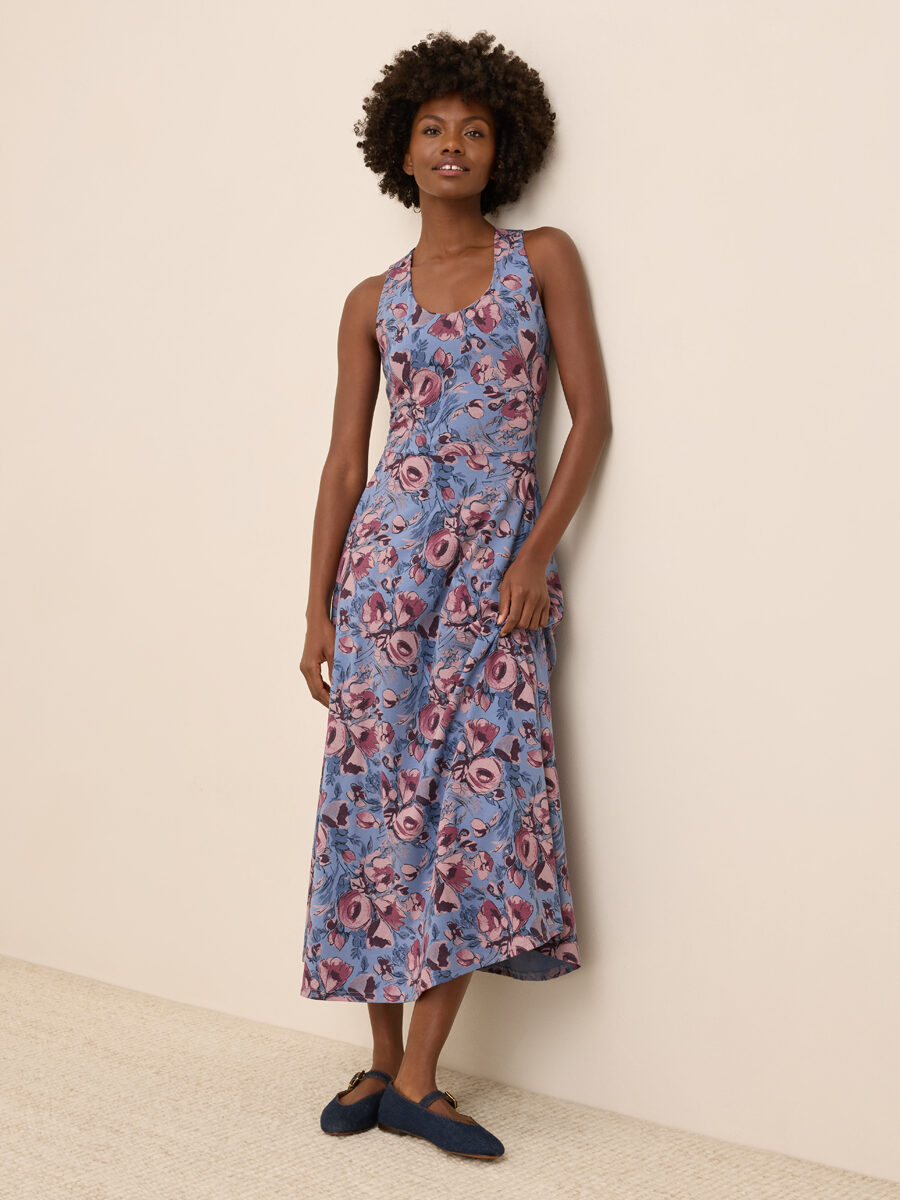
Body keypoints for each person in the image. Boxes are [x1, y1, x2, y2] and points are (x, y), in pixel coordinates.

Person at [299, 30, 611, 1159]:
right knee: (375, 804)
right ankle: (381, 1064)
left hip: (492, 572)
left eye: (473, 130)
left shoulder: (544, 260)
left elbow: (591, 420)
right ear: (400, 146)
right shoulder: (369, 299)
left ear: (503, 146)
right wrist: (316, 604)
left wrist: (533, 556)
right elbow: (345, 464)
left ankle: (420, 1080)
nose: (452, 144)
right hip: (384, 567)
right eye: (432, 128)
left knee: (477, 807)